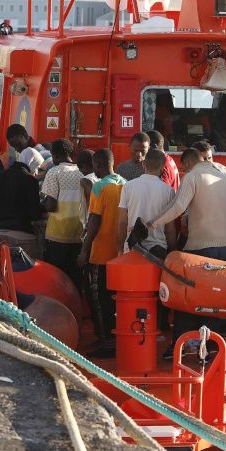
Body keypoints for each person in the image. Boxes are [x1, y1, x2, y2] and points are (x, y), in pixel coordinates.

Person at [150, 146, 226, 262]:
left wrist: (153, 223)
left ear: (187, 163)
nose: (185, 172)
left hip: (200, 249)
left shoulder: (192, 176)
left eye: (184, 168)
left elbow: (178, 206)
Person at [79, 149, 126, 355]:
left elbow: (94, 221)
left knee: (99, 300)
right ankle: (115, 339)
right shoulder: (125, 183)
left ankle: (106, 342)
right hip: (120, 255)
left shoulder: (99, 187)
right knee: (116, 301)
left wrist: (84, 250)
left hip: (100, 254)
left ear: (97, 165)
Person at [39, 138, 84, 285]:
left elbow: (50, 205)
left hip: (57, 235)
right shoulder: (83, 173)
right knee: (75, 279)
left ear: (56, 156)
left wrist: (42, 202)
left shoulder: (54, 172)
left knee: (56, 279)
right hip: (79, 235)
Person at [117, 147, 178, 256]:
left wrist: (120, 249)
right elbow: (170, 228)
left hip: (132, 249)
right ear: (162, 167)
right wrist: (172, 252)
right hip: (158, 250)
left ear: (144, 164)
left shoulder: (128, 186)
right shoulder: (168, 191)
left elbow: (122, 222)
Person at [0, 144, 43, 233]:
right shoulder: (31, 180)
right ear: (32, 162)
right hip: (22, 233)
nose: (37, 171)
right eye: (37, 167)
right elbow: (35, 215)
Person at [76, 148, 96, 226]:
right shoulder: (103, 178)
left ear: (84, 166)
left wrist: (89, 224)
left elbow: (91, 203)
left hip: (91, 222)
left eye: (80, 168)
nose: (80, 172)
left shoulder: (86, 180)